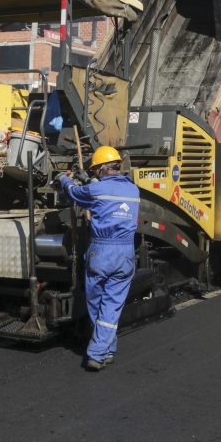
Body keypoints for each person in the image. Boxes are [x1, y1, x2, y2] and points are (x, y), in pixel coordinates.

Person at [57, 146, 139, 371]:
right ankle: (108, 348)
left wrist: (63, 180)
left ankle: (96, 353)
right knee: (110, 305)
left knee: (97, 303)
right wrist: (91, 181)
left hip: (101, 252)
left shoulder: (96, 191)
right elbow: (106, 194)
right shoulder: (133, 190)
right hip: (125, 253)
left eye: (96, 171)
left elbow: (75, 193)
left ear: (102, 169)